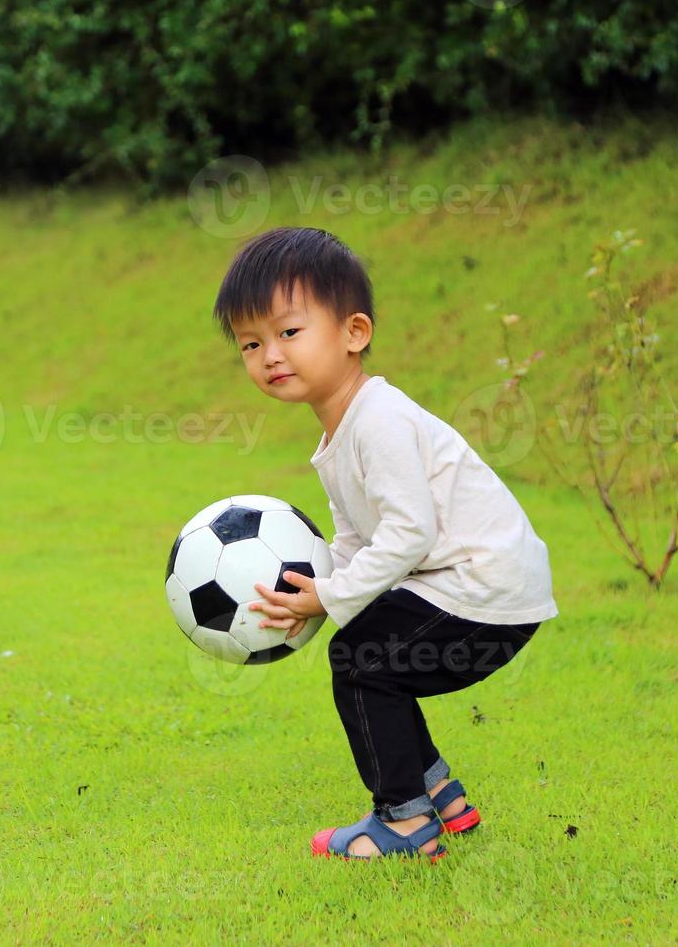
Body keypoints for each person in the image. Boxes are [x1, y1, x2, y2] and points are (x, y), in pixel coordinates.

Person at [211, 226, 560, 862]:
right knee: (375, 657)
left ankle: (403, 824)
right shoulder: (339, 434)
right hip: (472, 588)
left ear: (354, 333)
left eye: (290, 332)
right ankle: (443, 799)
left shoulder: (380, 419)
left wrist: (333, 597)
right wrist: (308, 591)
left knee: (362, 661)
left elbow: (410, 533)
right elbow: (355, 537)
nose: (269, 355)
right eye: (251, 342)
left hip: (483, 590)